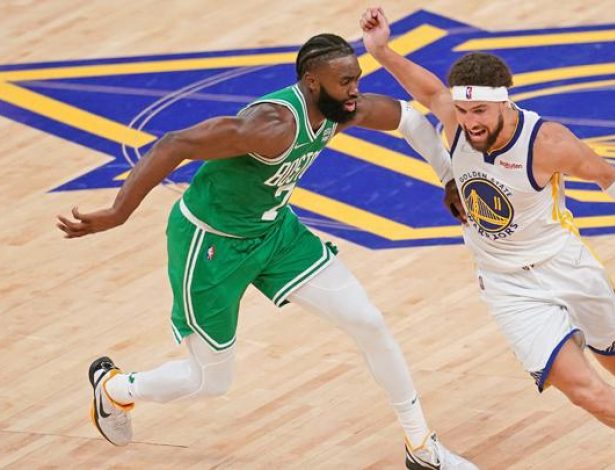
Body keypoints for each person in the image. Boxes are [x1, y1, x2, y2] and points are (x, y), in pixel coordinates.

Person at [57, 33, 476, 470]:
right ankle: (114, 390)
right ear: (312, 83)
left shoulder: (340, 109)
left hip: (275, 234)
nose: (355, 90)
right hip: (211, 243)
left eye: (356, 79)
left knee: (368, 322)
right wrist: (119, 212)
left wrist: (449, 177)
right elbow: (175, 143)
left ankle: (420, 445)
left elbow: (408, 118)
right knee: (211, 381)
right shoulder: (270, 125)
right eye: (345, 82)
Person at [360, 7, 615, 470]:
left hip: (565, 264)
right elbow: (429, 90)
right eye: (463, 110)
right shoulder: (455, 122)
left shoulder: (547, 143)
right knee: (587, 393)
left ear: (504, 103)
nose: (470, 122)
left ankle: (569, 330)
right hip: (508, 285)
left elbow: (611, 178)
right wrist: (380, 50)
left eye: (480, 111)